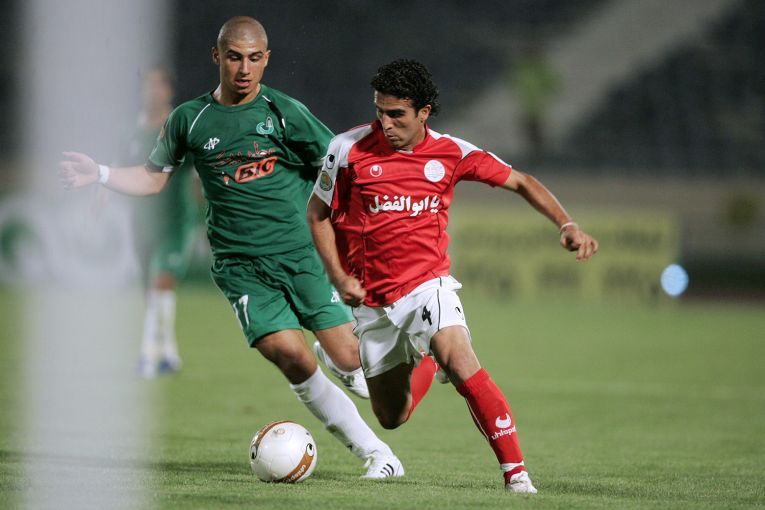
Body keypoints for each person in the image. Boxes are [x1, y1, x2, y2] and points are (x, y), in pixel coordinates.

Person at [60, 16, 404, 478]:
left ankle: (347, 358)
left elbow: (339, 166)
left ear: (267, 59)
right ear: (217, 56)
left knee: (350, 361)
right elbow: (152, 178)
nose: (244, 69)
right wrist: (99, 173)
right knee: (291, 357)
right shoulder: (189, 118)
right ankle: (378, 455)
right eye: (235, 57)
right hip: (240, 267)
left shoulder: (284, 112)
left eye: (254, 58)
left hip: (302, 257)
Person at [307, 59, 599, 494]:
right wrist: (338, 276)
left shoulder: (451, 153)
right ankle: (427, 358)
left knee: (462, 362)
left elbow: (521, 181)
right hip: (370, 300)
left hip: (429, 286)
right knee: (392, 417)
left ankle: (516, 474)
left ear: (424, 112)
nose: (386, 123)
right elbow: (317, 214)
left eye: (397, 114)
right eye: (380, 112)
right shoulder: (347, 149)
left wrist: (566, 223)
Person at [121, 67, 201, 378]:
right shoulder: (131, 130)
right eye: (147, 86)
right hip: (143, 220)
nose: (152, 91)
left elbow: (200, 168)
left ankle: (147, 356)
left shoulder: (180, 127)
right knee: (150, 290)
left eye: (157, 85)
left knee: (161, 283)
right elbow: (121, 169)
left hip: (176, 221)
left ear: (169, 90)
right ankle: (168, 353)